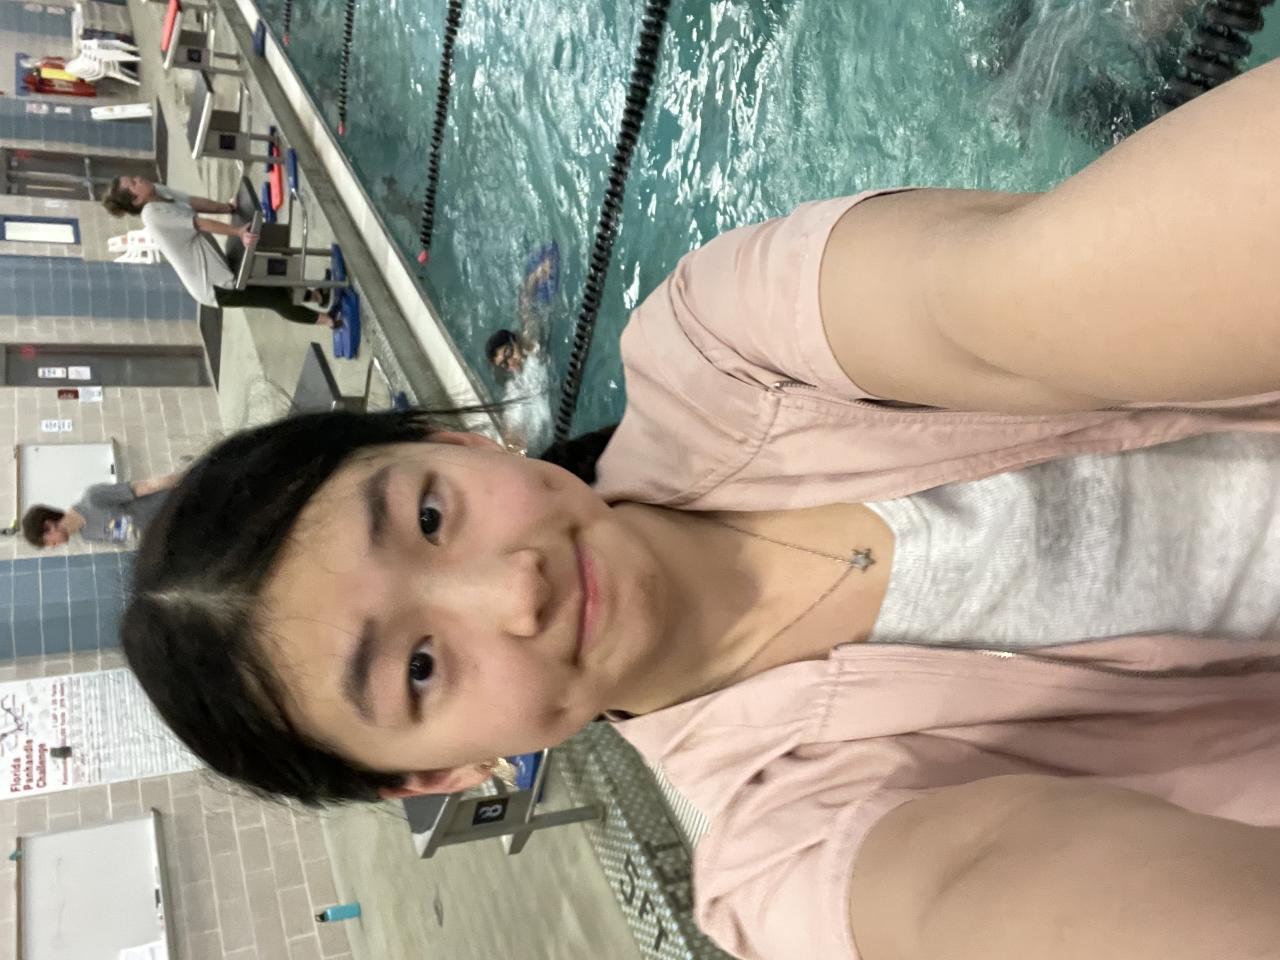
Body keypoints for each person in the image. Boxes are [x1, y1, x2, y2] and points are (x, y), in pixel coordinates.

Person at [123, 60, 1280, 960]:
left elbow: (1007, 295)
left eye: (429, 517)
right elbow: (965, 890)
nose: (512, 588)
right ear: (438, 775)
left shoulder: (724, 347)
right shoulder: (782, 853)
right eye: (421, 668)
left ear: (454, 443)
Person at [102, 176, 340, 328]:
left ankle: (318, 297)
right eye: (134, 183)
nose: (139, 179)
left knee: (272, 277)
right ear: (136, 200)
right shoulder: (152, 215)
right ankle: (330, 321)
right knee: (274, 297)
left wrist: (227, 207)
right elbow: (198, 223)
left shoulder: (157, 193)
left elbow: (193, 202)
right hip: (213, 287)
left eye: (134, 178)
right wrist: (237, 232)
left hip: (218, 266)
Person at [23, 472, 182, 548]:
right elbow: (130, 534)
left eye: (47, 541)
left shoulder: (93, 498)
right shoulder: (87, 535)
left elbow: (147, 486)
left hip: (176, 502)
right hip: (174, 529)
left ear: (49, 526)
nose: (52, 546)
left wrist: (188, 476)